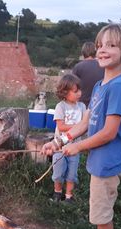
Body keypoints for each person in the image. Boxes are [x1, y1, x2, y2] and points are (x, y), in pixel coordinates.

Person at [41, 23, 121, 229]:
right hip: (100, 160)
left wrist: (79, 147)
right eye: (100, 45)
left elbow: (109, 131)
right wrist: (60, 141)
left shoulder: (118, 86)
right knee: (100, 211)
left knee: (102, 215)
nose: (103, 50)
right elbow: (86, 122)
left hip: (108, 163)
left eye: (111, 45)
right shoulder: (99, 86)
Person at [51, 74, 87, 204]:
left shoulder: (82, 107)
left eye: (79, 90)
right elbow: (61, 127)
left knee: (72, 174)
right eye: (75, 91)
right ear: (65, 92)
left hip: (74, 148)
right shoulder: (61, 107)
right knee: (58, 173)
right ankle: (57, 193)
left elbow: (86, 124)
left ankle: (68, 196)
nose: (79, 93)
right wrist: (78, 126)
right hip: (59, 148)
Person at [72, 42, 105, 108]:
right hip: (99, 104)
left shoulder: (78, 67)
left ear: (83, 52)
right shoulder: (103, 66)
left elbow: (72, 86)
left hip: (81, 105)